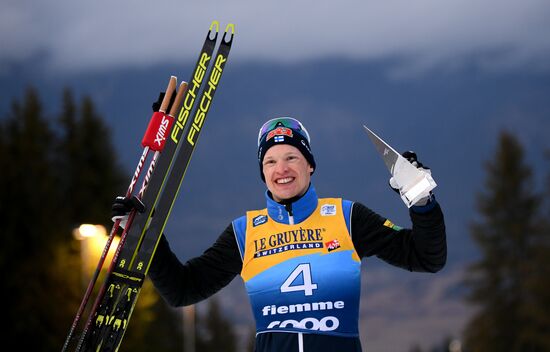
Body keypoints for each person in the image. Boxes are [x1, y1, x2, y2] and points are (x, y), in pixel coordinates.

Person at [113, 117, 446, 352]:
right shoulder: (244, 233)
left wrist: (421, 202)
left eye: (291, 157)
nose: (281, 169)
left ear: (309, 165)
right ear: (262, 172)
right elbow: (182, 290)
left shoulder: (347, 218)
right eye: (270, 161)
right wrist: (147, 236)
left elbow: (426, 257)